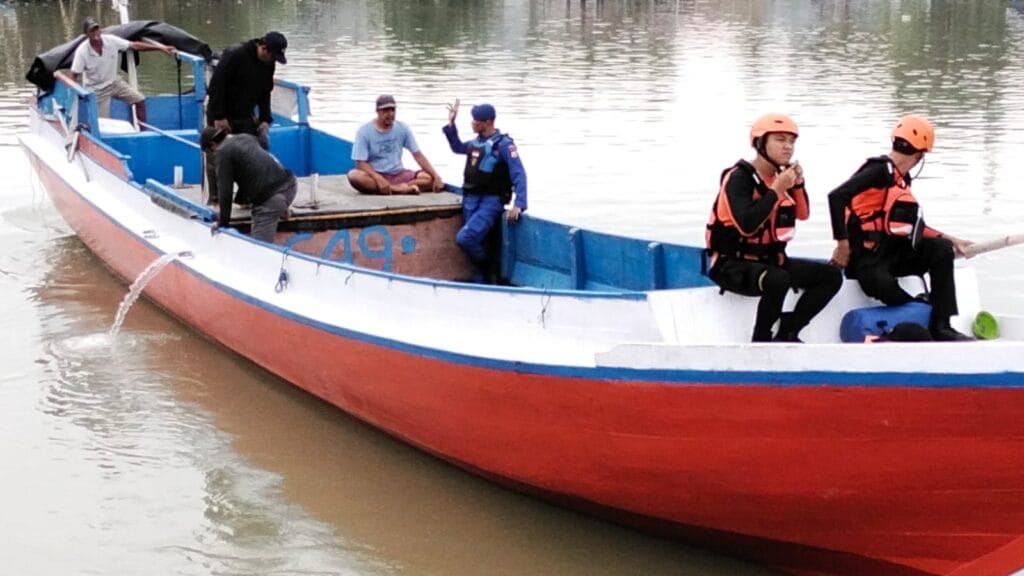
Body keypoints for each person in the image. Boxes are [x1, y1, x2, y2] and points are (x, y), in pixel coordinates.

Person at [827, 114, 975, 341]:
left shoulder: (902, 179)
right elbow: (836, 197)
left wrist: (950, 238)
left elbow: (912, 226)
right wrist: (842, 245)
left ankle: (941, 325)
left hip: (892, 253)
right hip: (867, 259)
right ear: (920, 155)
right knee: (881, 282)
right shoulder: (879, 171)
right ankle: (916, 308)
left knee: (941, 249)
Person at [705, 113, 843, 342]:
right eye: (780, 140)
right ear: (760, 143)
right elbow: (747, 225)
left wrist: (797, 186)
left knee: (830, 277)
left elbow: (803, 214)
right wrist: (777, 190)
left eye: (791, 141)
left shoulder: (780, 178)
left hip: (769, 262)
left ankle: (790, 329)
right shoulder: (739, 178)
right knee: (778, 279)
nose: (788, 147)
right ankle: (761, 340)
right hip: (731, 266)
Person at [443, 100, 527, 284]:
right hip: (471, 199)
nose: (473, 124)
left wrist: (519, 204)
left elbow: (519, 174)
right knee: (478, 241)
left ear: (488, 122)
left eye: (476, 121)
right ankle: (482, 277)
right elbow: (457, 147)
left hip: (491, 201)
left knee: (465, 238)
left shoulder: (504, 145)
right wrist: (451, 125)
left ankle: (489, 268)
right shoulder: (476, 143)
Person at [204, 31, 288, 204]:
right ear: (263, 48)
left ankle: (245, 195)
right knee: (217, 154)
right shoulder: (236, 54)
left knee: (252, 153)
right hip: (221, 111)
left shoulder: (268, 63)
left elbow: (266, 92)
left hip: (244, 113)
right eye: (272, 56)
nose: (273, 61)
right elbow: (216, 85)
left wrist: (265, 118)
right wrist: (219, 116)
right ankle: (216, 197)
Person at [69, 17, 177, 123]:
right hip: (97, 89)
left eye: (96, 29)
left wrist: (161, 48)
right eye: (91, 31)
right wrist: (77, 94)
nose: (95, 32)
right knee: (102, 123)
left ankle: (143, 131)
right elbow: (74, 75)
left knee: (140, 100)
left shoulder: (110, 40)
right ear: (87, 34)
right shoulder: (82, 51)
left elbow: (134, 45)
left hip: (114, 82)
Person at [200, 127, 297, 244]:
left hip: (271, 201)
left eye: (209, 152)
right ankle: (282, 209)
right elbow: (262, 152)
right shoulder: (244, 137)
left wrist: (222, 222)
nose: (211, 156)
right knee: (269, 192)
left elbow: (225, 191)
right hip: (290, 185)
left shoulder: (222, 152)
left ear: (212, 144)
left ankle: (279, 208)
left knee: (259, 249)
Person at [347, 95, 444, 195]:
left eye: (392, 110)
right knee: (354, 176)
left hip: (399, 174)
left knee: (428, 178)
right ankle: (399, 189)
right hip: (376, 174)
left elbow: (418, 155)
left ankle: (395, 188)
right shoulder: (364, 132)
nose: (390, 114)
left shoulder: (402, 128)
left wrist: (436, 176)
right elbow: (361, 163)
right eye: (386, 111)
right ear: (377, 111)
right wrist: (378, 178)